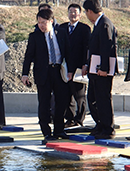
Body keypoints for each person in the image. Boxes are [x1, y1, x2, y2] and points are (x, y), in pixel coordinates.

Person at [21, 9, 73, 145]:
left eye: (44, 22)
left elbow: (68, 52)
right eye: (39, 23)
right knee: (44, 103)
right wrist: (25, 74)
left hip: (58, 71)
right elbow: (28, 57)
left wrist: (71, 70)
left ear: (51, 21)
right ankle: (46, 132)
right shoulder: (35, 36)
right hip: (43, 73)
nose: (41, 25)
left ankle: (59, 130)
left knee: (61, 101)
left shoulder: (61, 33)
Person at [82, 0, 117, 139]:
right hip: (94, 70)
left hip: (102, 71)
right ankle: (100, 124)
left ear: (90, 11)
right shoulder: (98, 24)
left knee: (103, 99)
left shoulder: (105, 24)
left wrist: (104, 68)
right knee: (93, 98)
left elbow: (106, 48)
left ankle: (108, 128)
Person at [60, 3, 91, 128]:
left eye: (75, 11)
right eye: (70, 11)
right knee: (66, 94)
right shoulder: (61, 28)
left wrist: (85, 64)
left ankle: (79, 118)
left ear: (80, 14)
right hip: (65, 66)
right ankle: (70, 118)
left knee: (79, 95)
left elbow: (87, 48)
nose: (72, 14)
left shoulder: (85, 29)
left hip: (79, 67)